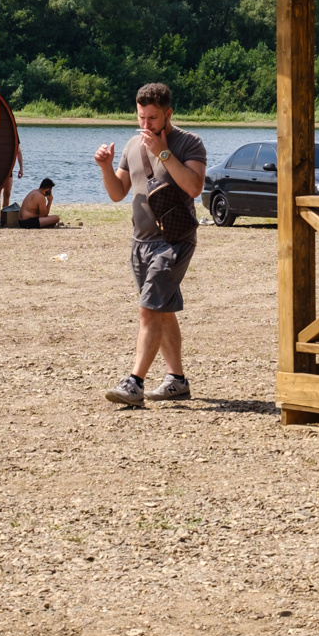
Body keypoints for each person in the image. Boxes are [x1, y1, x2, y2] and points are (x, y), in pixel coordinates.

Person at [94, 83, 207, 407]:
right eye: (141, 117)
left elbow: (194, 187)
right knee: (162, 310)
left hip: (174, 242)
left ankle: (134, 383)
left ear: (168, 114)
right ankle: (177, 381)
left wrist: (164, 153)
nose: (146, 125)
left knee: (148, 310)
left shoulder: (189, 143)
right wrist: (105, 166)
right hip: (139, 243)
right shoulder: (132, 145)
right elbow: (117, 192)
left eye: (153, 118)